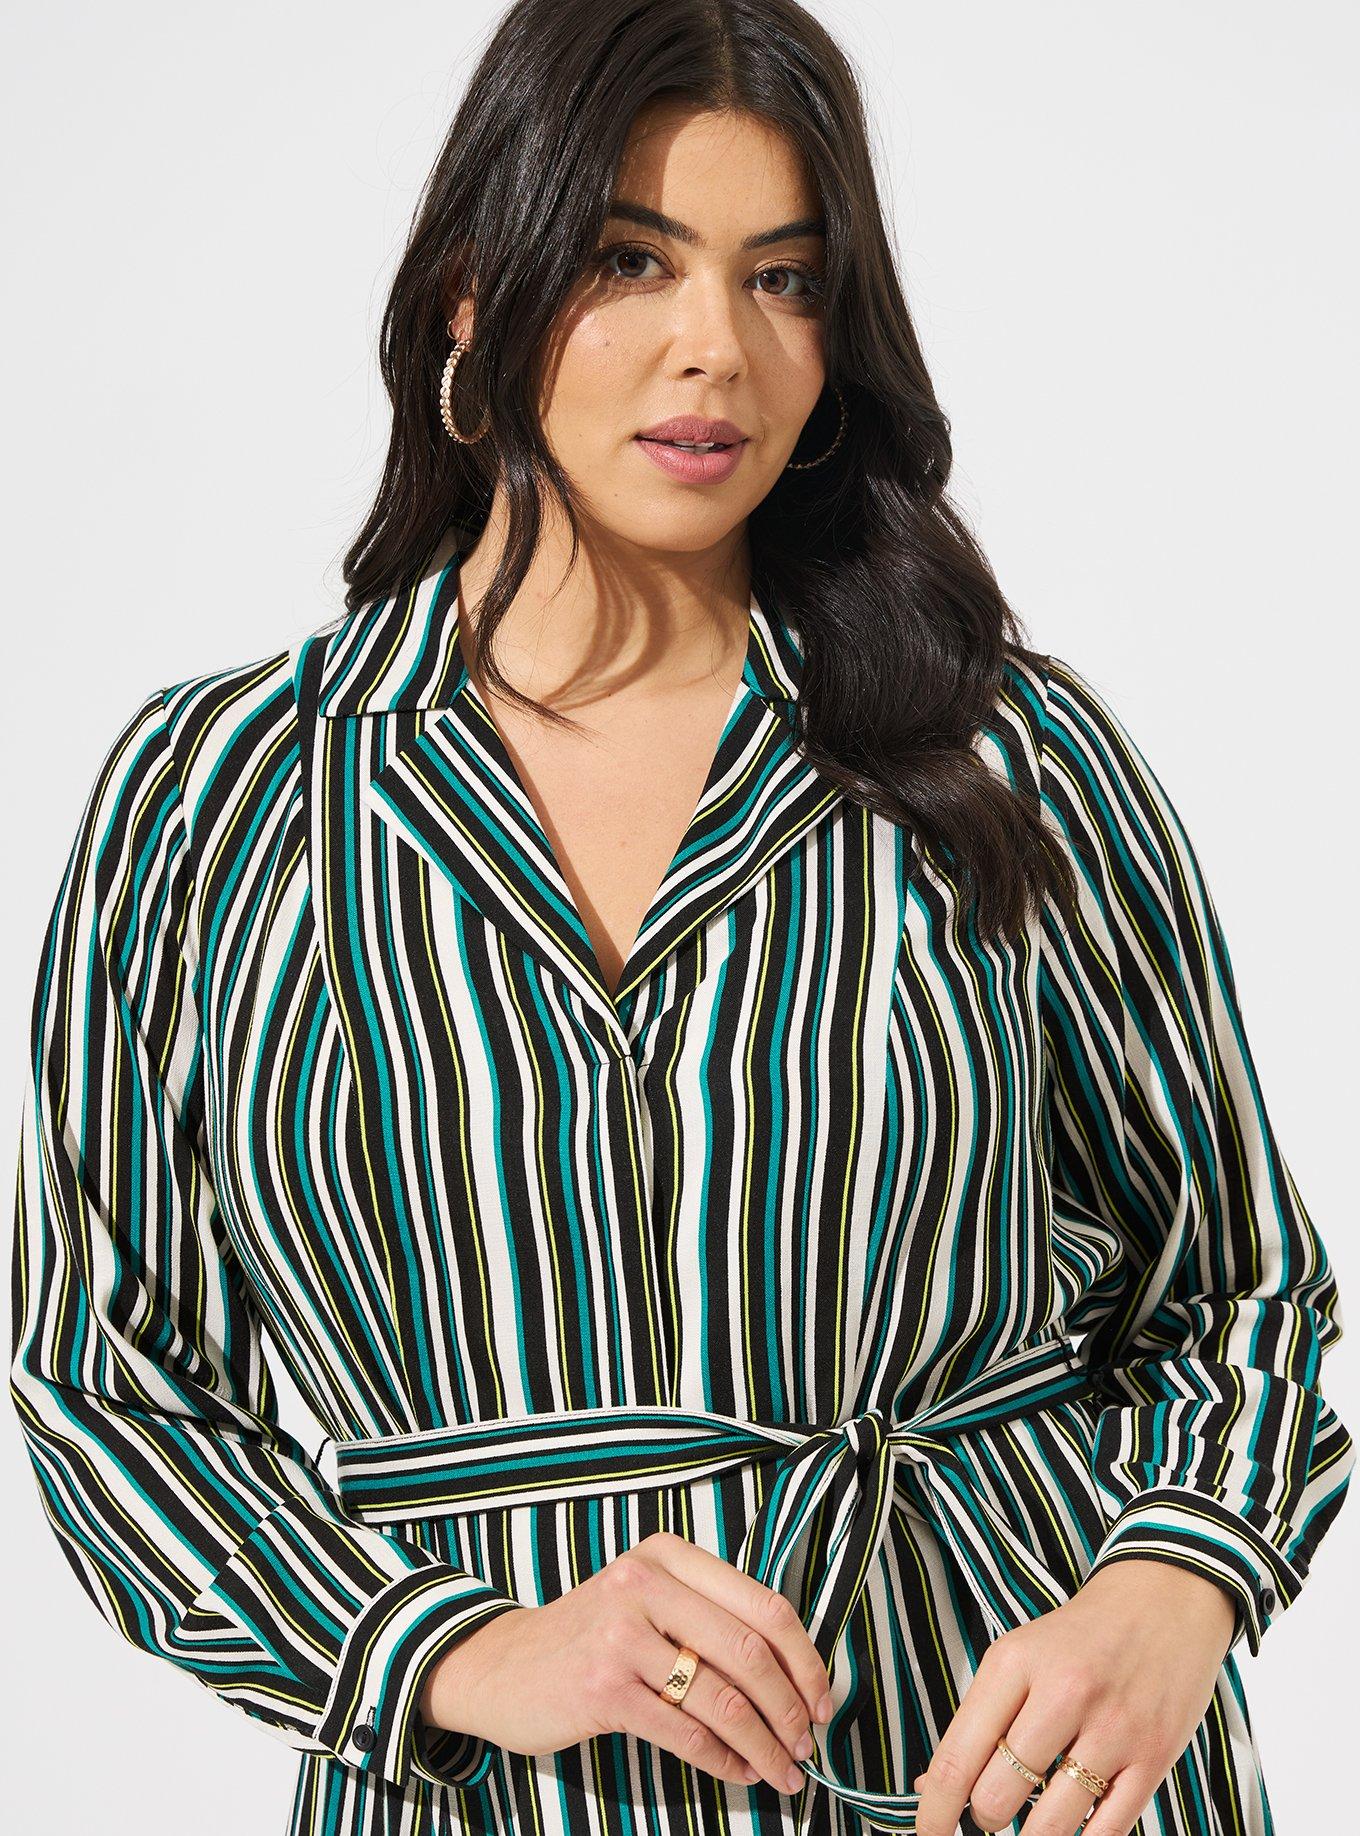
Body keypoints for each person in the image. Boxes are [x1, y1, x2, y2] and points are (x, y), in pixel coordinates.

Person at [8, 2, 1352, 1834]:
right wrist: (459, 1655)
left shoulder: (1000, 757)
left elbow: (1237, 1288)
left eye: (783, 279)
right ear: (472, 295)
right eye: (632, 260)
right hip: (497, 1801)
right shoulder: (219, 801)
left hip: (994, 1777)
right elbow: (108, 1383)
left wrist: (1175, 1589)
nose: (715, 344)